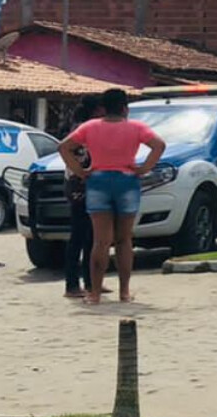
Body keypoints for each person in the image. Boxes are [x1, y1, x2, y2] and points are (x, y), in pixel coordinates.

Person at [60, 87, 166, 304]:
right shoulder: (136, 127)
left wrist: (81, 171)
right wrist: (144, 168)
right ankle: (124, 291)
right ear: (125, 108)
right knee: (124, 239)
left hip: (98, 180)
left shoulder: (90, 127)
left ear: (104, 108)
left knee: (100, 241)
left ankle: (95, 293)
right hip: (127, 180)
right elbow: (159, 145)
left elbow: (63, 147)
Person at [61, 98, 96, 300]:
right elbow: (73, 154)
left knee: (90, 236)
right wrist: (83, 173)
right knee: (80, 236)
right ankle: (72, 284)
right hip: (79, 188)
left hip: (81, 185)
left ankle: (91, 281)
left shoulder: (83, 128)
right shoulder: (83, 130)